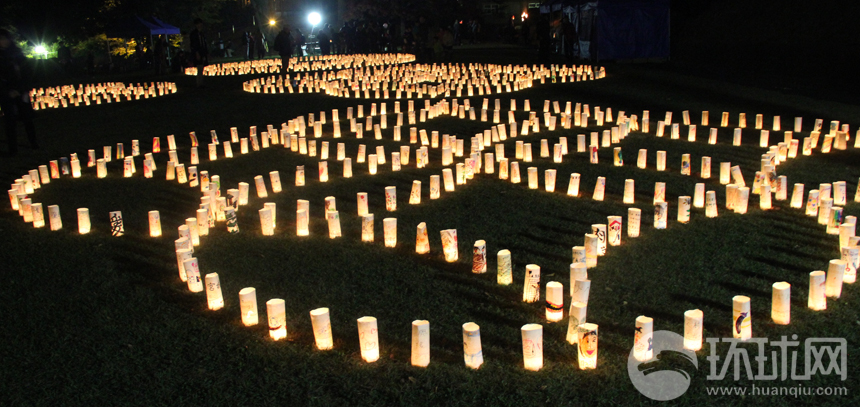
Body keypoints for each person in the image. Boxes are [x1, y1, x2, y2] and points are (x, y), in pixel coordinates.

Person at [0, 29, 38, 156]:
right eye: (1, 39)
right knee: (10, 121)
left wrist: (19, 89)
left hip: (20, 91)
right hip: (5, 93)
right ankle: (13, 148)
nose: (3, 42)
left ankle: (34, 143)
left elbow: (27, 73)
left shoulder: (17, 54)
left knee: (27, 119)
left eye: (5, 38)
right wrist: (7, 91)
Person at [189, 18, 208, 87]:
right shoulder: (194, 34)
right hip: (198, 52)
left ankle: (201, 82)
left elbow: (204, 43)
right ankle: (199, 83)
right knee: (199, 67)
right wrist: (196, 53)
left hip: (202, 52)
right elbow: (193, 44)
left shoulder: (202, 33)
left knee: (201, 67)